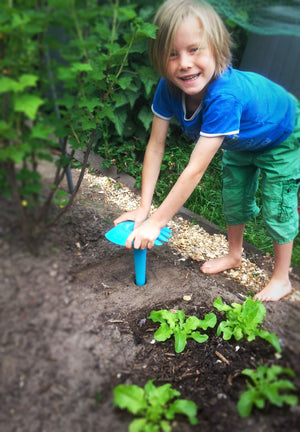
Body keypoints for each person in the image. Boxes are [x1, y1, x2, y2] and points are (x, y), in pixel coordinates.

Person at [114, 0, 300, 301]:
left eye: (194, 49)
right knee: (233, 195)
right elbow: (156, 145)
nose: (184, 63)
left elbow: (195, 169)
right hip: (241, 137)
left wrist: (158, 222)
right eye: (172, 54)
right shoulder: (168, 86)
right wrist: (144, 208)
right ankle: (234, 254)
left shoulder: (224, 96)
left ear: (217, 48)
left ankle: (282, 278)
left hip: (281, 131)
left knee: (276, 205)